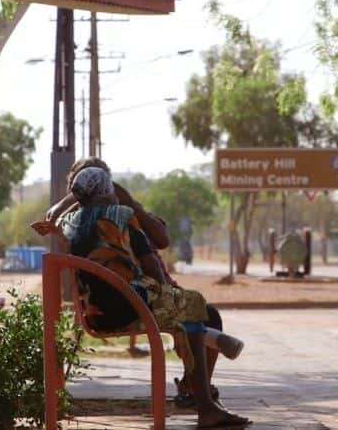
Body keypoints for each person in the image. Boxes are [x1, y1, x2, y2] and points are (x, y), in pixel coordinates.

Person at [58, 167, 249, 428]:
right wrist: (166, 292)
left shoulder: (68, 225)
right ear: (106, 191)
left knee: (186, 308)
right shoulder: (122, 215)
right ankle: (204, 405)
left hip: (96, 313)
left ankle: (204, 349)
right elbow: (152, 266)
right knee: (193, 303)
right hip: (132, 304)